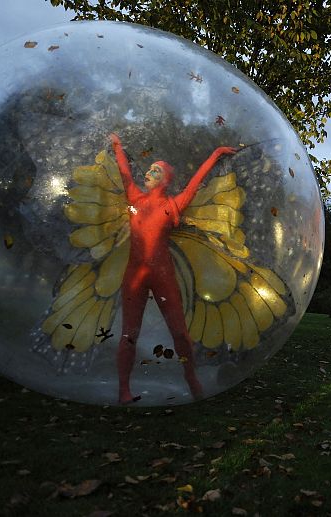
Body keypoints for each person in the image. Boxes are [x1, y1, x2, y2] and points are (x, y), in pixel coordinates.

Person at [110, 133, 238, 403]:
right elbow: (124, 172)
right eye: (149, 168)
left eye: (155, 170)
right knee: (128, 334)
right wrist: (117, 145)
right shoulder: (134, 197)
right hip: (135, 276)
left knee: (179, 332)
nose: (148, 172)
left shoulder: (173, 205)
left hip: (163, 275)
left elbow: (196, 183)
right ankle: (124, 391)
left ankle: (191, 380)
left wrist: (216, 154)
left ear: (165, 180)